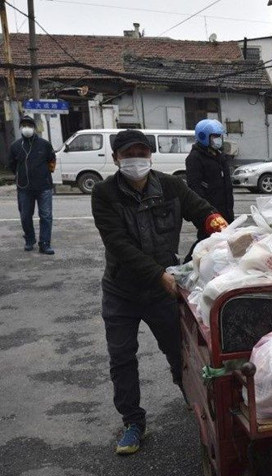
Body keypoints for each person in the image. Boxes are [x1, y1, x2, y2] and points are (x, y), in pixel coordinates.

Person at [91, 129, 228, 455]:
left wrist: (218, 223)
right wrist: (159, 276)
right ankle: (133, 422)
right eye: (128, 154)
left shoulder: (170, 185)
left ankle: (189, 394)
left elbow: (201, 209)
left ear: (150, 156)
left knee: (178, 350)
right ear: (116, 159)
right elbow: (118, 245)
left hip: (162, 290)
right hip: (122, 290)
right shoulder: (104, 193)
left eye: (141, 153)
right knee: (122, 356)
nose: (135, 159)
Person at [184, 119, 234, 262]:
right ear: (203, 137)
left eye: (219, 136)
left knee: (222, 244)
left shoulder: (219, 156)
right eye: (215, 137)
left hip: (225, 210)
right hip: (208, 212)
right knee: (205, 241)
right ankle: (188, 265)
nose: (218, 140)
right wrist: (207, 212)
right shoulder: (195, 158)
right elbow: (195, 188)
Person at [8, 115, 57, 254]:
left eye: (29, 125)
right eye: (24, 125)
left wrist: (45, 174)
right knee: (25, 216)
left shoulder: (44, 144)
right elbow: (12, 165)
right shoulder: (16, 146)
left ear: (34, 128)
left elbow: (52, 161)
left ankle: (45, 243)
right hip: (24, 188)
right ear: (20, 128)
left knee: (46, 216)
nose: (26, 128)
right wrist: (21, 175)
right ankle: (30, 239)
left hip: (44, 187)